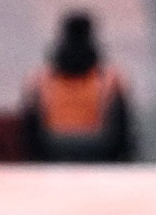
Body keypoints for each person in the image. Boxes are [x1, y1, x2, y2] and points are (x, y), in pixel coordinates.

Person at [31, 12, 134, 162]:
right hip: (99, 145)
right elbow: (121, 127)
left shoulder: (41, 78)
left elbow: (32, 124)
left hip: (53, 144)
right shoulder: (110, 77)